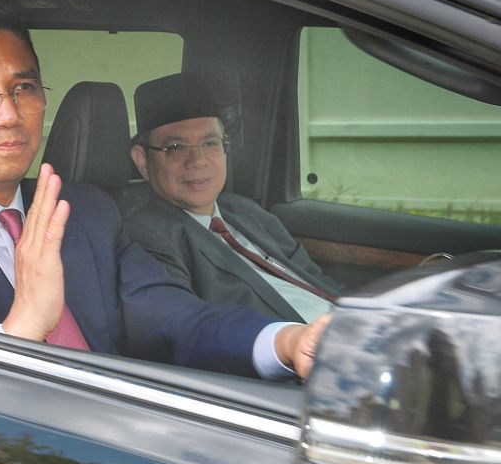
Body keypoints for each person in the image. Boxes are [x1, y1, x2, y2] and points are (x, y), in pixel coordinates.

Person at [0, 0, 328, 379]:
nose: (9, 115)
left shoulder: (83, 210)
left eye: (25, 88)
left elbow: (173, 319)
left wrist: (285, 342)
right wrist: (22, 330)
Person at [120, 84, 343, 323]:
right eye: (175, 147)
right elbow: (181, 326)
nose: (198, 161)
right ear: (142, 161)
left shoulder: (245, 211)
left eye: (210, 143)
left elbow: (317, 280)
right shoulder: (147, 235)